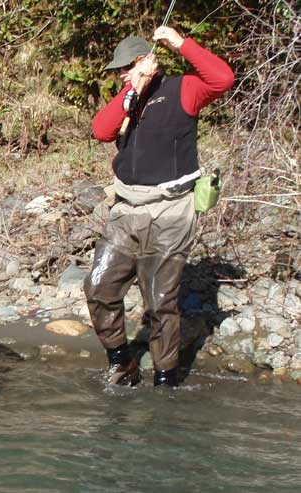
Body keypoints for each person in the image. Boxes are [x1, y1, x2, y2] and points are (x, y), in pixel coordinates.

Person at [85, 26, 234, 387]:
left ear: (142, 61)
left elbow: (222, 79)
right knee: (98, 286)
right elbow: (101, 131)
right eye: (119, 71)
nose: (119, 75)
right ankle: (122, 361)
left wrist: (179, 43)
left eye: (124, 68)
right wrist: (131, 89)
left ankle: (166, 378)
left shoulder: (183, 89)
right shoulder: (127, 96)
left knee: (159, 302)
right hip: (126, 209)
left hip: (170, 210)